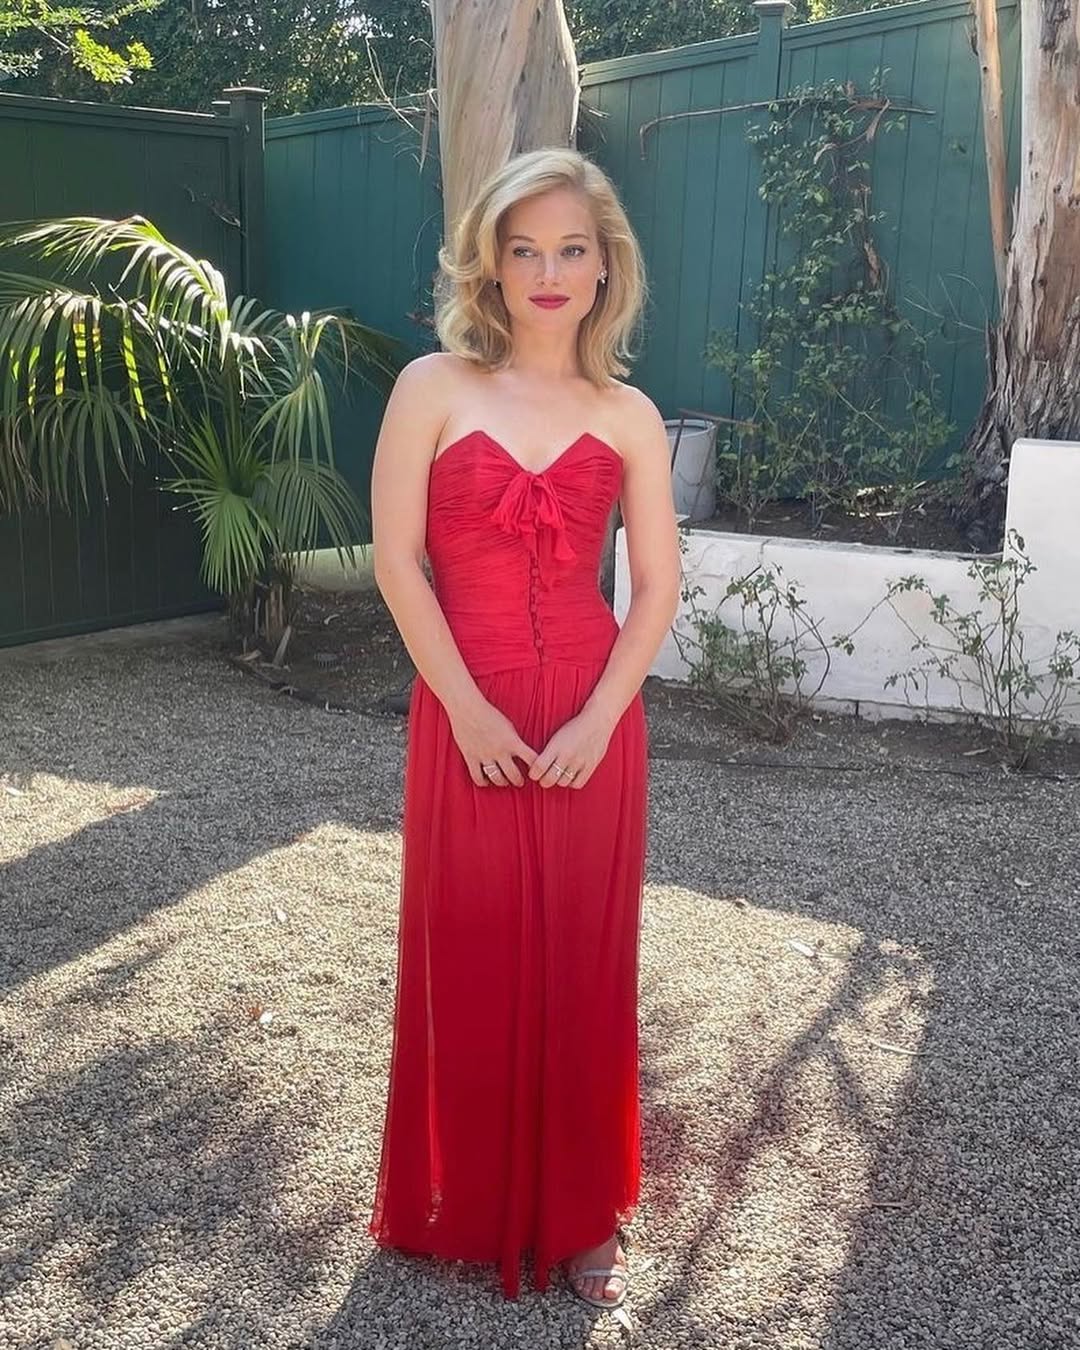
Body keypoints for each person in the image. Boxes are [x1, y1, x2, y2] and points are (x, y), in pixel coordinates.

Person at [366, 146, 681, 1308]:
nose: (549, 273)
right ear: (491, 267)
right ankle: (471, 1199)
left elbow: (656, 589)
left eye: (571, 250)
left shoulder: (630, 414)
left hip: (594, 721)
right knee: (472, 946)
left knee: (585, 962)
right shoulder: (433, 386)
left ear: (605, 268)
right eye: (525, 250)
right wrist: (465, 708)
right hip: (466, 710)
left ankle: (583, 1214)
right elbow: (397, 563)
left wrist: (603, 717)